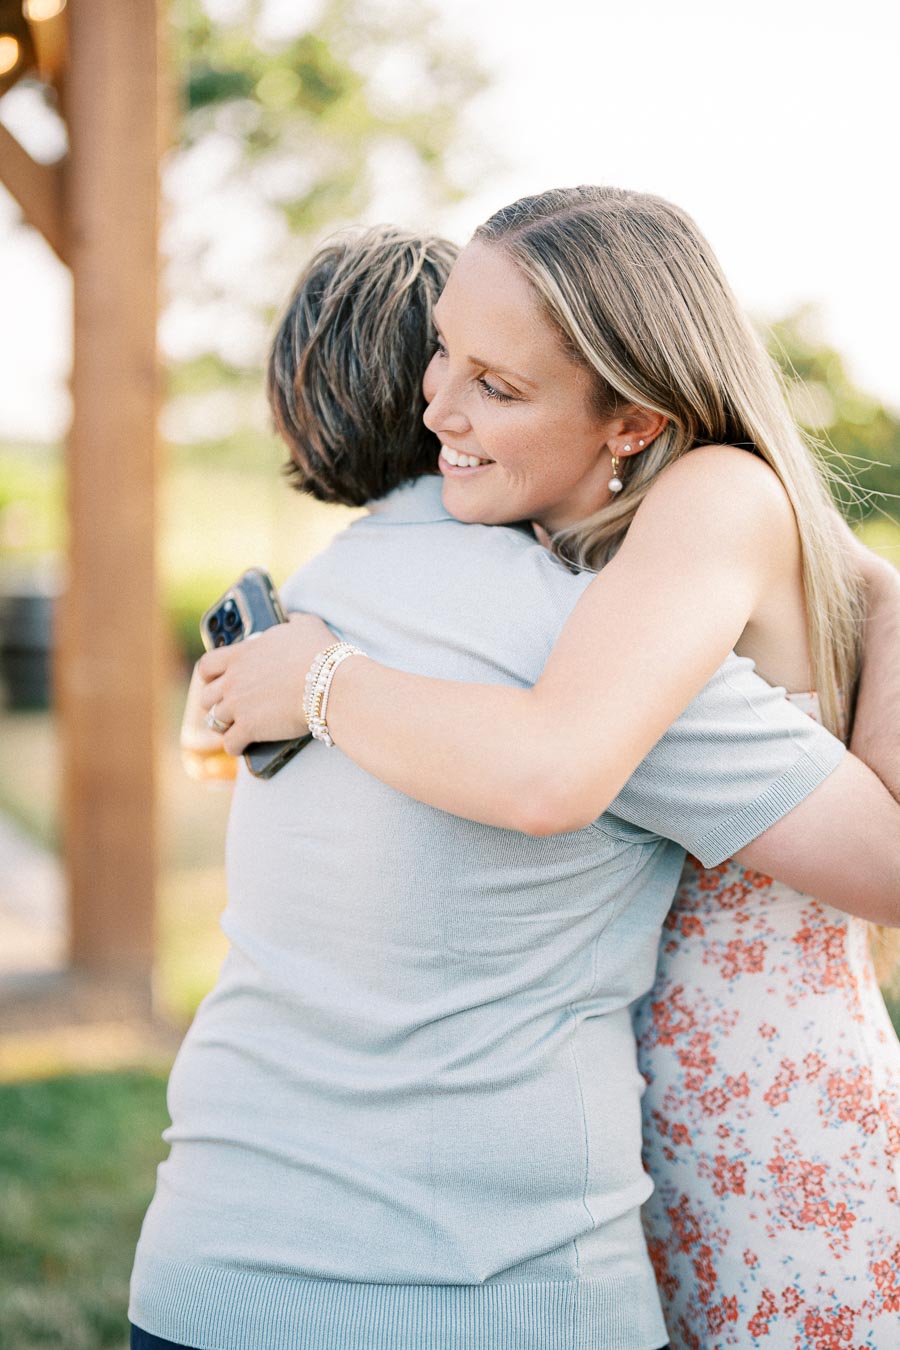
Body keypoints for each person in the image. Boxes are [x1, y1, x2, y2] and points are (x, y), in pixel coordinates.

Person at [196, 191, 900, 1347]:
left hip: (760, 1106)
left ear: (631, 421)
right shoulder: (585, 543)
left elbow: (554, 769)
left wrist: (321, 682)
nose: (436, 408)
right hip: (630, 1114)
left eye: (496, 384)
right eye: (442, 354)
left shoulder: (706, 499)